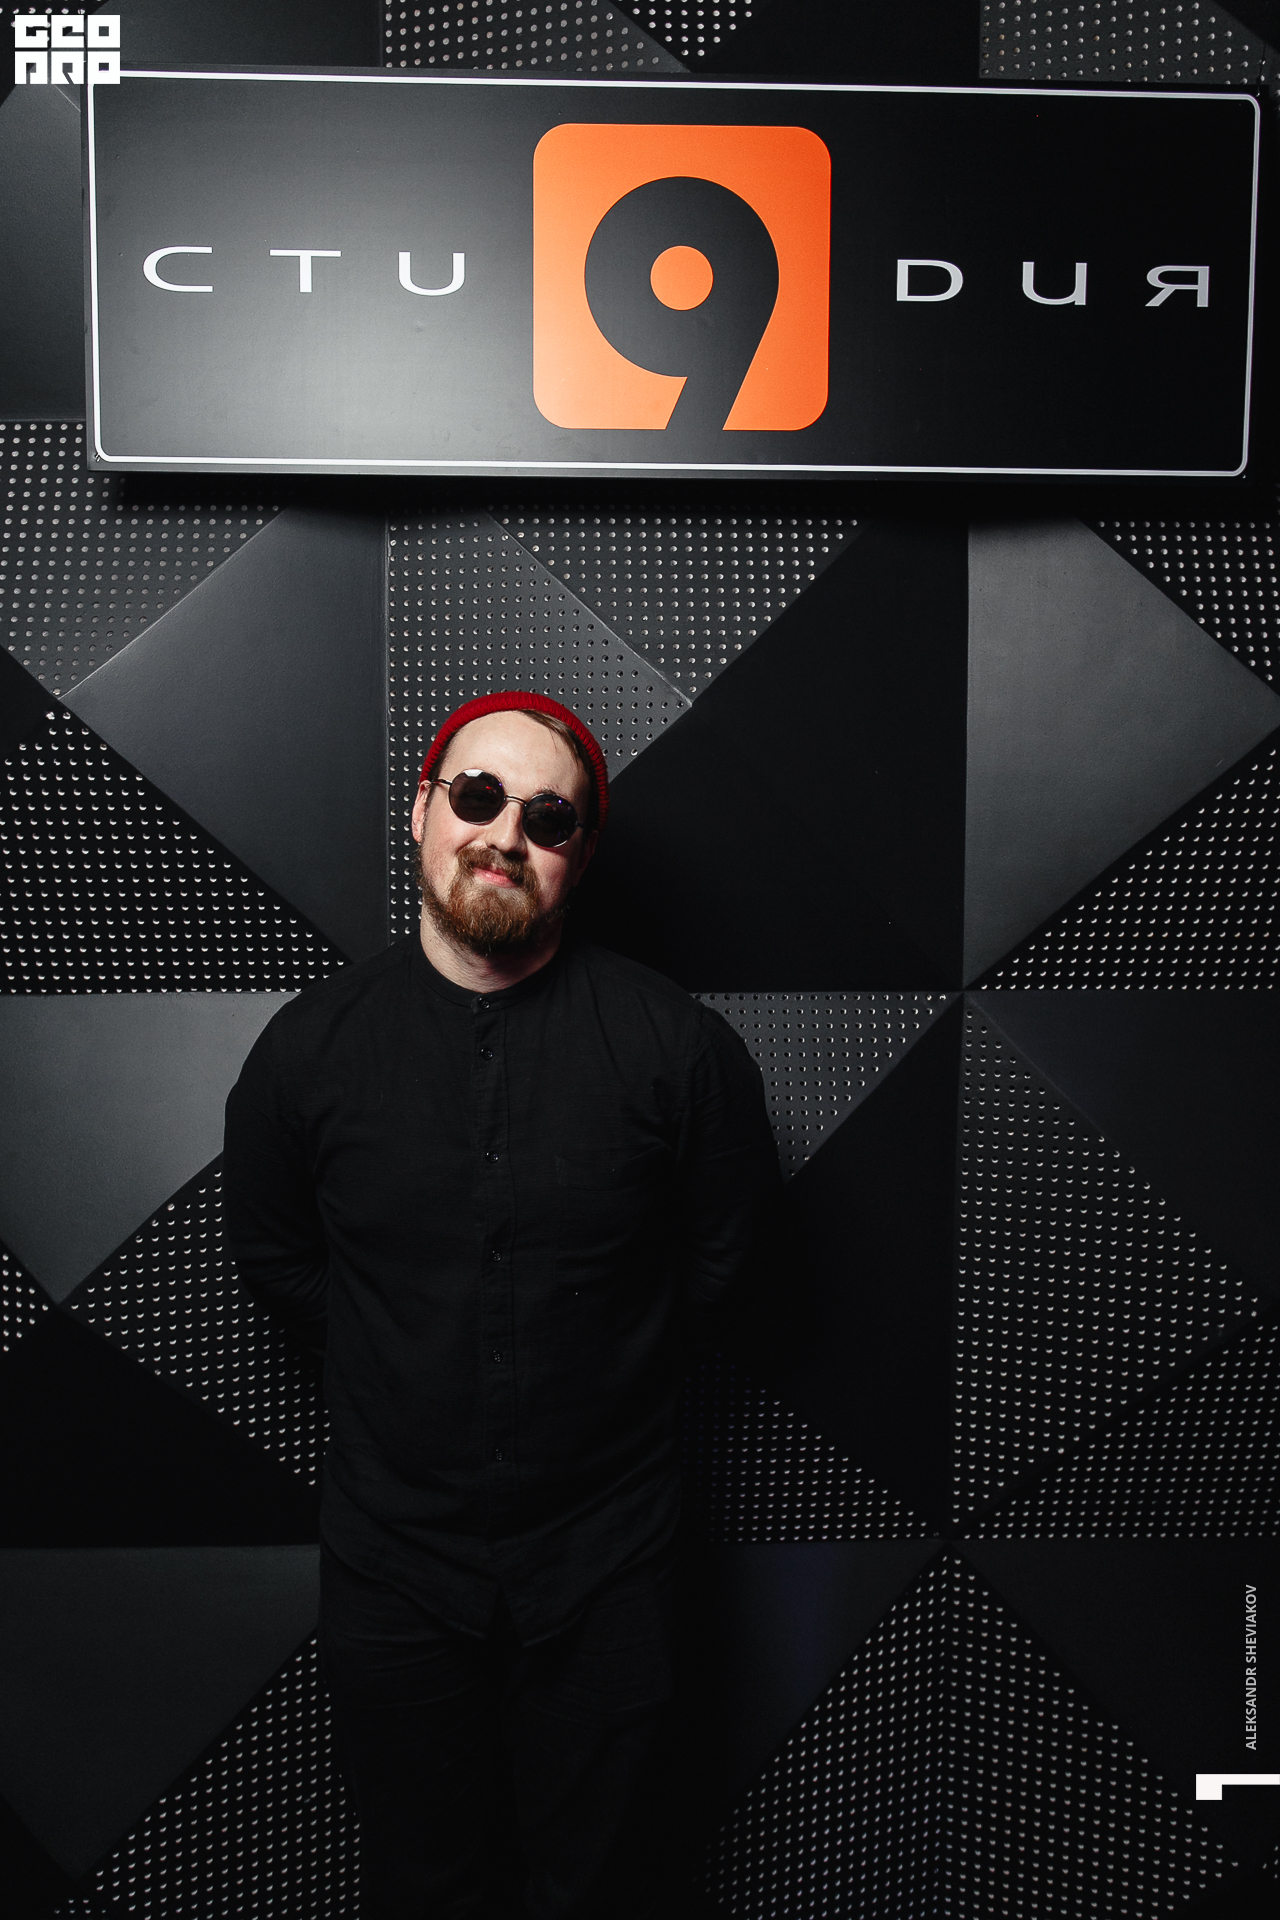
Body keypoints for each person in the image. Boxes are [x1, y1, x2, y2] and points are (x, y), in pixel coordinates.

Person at [223, 690, 781, 1919]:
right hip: (393, 1572)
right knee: (421, 1887)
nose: (503, 836)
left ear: (580, 851)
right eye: (476, 796)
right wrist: (395, 1365)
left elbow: (725, 1265)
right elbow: (275, 1256)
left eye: (547, 816)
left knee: (609, 1890)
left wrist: (604, 1369)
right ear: (421, 810)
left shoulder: (679, 1052)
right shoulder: (307, 1053)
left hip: (610, 1568)